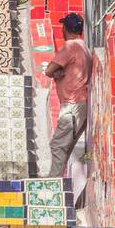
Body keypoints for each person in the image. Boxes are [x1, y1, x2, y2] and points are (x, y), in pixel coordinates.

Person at [45, 12, 92, 178]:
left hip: (72, 106)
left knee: (57, 146)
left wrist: (57, 74)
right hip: (82, 105)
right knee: (65, 149)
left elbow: (49, 70)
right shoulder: (84, 47)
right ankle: (59, 183)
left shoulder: (70, 46)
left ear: (65, 28)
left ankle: (52, 185)